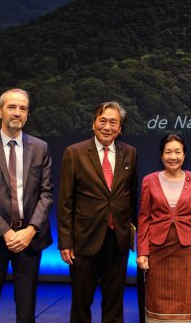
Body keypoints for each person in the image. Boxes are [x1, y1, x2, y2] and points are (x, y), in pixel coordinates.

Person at [0, 88, 54, 323]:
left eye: (22, 108)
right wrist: (6, 232)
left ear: (27, 115)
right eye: (11, 107)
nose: (17, 112)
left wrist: (30, 230)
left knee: (26, 314)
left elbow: (47, 194)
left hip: (29, 240)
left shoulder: (41, 148)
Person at [57, 101, 138, 323]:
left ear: (120, 128)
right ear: (94, 124)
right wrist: (65, 241)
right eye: (103, 121)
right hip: (84, 241)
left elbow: (131, 197)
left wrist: (130, 233)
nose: (107, 127)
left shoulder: (130, 153)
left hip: (117, 241)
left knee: (114, 304)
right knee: (81, 304)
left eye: (113, 122)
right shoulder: (75, 153)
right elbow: (65, 200)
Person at [136, 133, 191, 322]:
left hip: (187, 250)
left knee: (188, 300)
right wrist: (142, 252)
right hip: (157, 250)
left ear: (184, 155)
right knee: (156, 300)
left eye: (177, 152)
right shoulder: (149, 180)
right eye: (168, 152)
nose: (173, 156)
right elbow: (144, 218)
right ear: (161, 156)